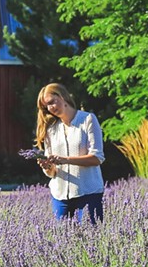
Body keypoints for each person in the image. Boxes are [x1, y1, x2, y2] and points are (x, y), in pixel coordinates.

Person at [33, 83, 105, 225]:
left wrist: (65, 160)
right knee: (63, 242)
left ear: (63, 97)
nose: (51, 107)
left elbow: (97, 158)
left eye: (52, 101)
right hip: (60, 196)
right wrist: (48, 167)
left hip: (88, 192)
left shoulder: (87, 120)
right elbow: (53, 172)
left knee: (92, 241)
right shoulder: (51, 130)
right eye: (46, 106)